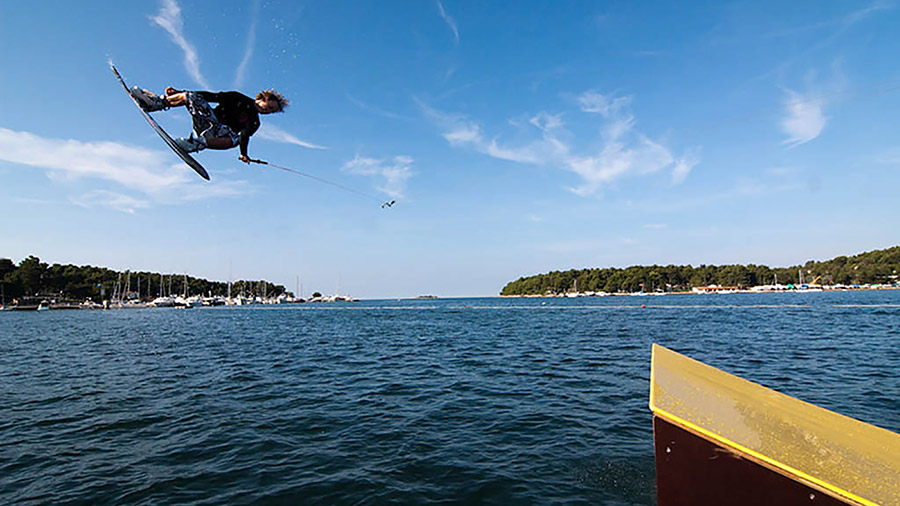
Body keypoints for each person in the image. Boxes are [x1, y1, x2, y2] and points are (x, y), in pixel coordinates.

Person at [130, 85, 288, 163]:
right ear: (262, 99)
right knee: (193, 96)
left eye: (272, 111)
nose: (269, 111)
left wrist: (244, 153)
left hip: (217, 136)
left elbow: (245, 137)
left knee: (236, 138)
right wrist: (180, 93)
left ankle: (193, 144)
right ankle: (155, 103)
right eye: (270, 107)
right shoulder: (237, 97)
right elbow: (211, 96)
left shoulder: (254, 123)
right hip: (207, 121)